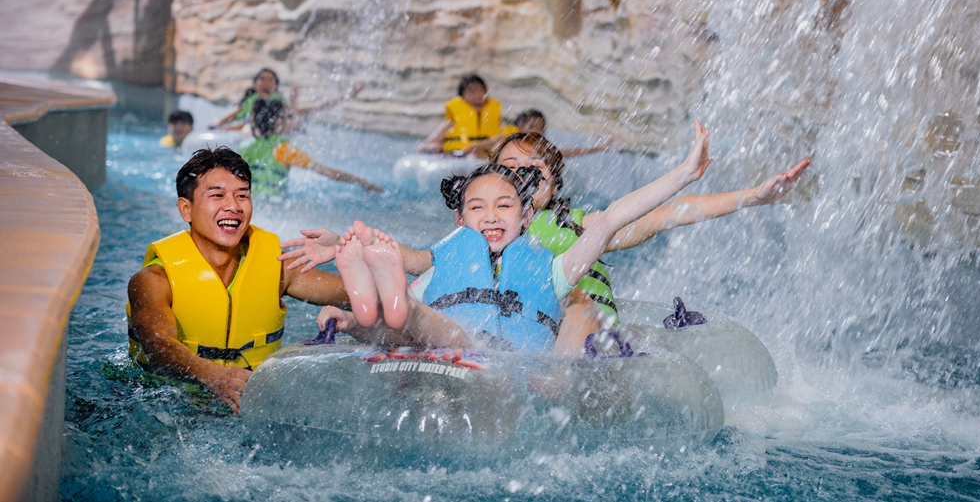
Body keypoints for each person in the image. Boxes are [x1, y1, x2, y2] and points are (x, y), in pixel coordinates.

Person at [283, 130, 809, 327]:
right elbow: (421, 258)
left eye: (531, 175)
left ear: (551, 188)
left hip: (563, 319)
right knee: (425, 289)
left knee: (576, 301)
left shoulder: (575, 227)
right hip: (486, 320)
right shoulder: (472, 236)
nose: (516, 182)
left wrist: (752, 196)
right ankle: (366, 309)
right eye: (506, 172)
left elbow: (668, 212)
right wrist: (346, 244)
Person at [291, 120, 712, 354]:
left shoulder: (551, 270)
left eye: (504, 206)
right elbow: (410, 261)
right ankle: (375, 307)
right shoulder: (451, 258)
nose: (490, 216)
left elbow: (612, 218)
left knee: (438, 328)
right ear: (459, 217)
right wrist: (347, 313)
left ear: (528, 216)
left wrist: (684, 173)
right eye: (477, 208)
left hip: (509, 357)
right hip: (450, 341)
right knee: (419, 321)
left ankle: (391, 303)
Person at [126, 148, 354, 413]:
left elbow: (355, 296)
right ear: (186, 209)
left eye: (242, 195)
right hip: (162, 405)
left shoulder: (278, 268)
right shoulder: (153, 280)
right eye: (217, 195)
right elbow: (156, 344)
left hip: (247, 405)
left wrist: (352, 253)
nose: (233, 206)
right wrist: (212, 376)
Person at [238, 99, 383, 197]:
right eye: (288, 117)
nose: (291, 122)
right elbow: (326, 172)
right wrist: (361, 181)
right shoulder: (283, 149)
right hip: (274, 202)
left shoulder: (245, 146)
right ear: (278, 122)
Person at [415, 74, 517, 156]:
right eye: (471, 91)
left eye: (481, 90)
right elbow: (421, 147)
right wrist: (432, 147)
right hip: (458, 164)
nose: (478, 96)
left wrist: (477, 146)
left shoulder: (499, 123)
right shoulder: (450, 125)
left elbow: (509, 138)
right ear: (461, 98)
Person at [513, 109, 613, 158]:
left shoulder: (541, 152)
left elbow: (571, 152)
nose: (536, 131)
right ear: (520, 126)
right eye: (532, 127)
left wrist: (599, 147)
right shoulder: (508, 142)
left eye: (540, 128)